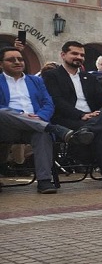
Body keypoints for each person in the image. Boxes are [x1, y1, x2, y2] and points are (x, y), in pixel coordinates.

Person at [1, 46, 93, 193]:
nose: (17, 62)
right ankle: (54, 129)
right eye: (11, 60)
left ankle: (44, 181)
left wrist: (41, 117)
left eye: (20, 59)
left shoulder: (35, 81)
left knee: (41, 133)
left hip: (35, 125)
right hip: (7, 127)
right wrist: (21, 114)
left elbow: (48, 103)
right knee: (1, 112)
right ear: (1, 64)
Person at [42, 41, 102, 189]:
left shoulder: (88, 77)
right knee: (100, 130)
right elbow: (57, 101)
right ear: (63, 55)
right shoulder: (52, 75)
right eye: (74, 53)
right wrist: (81, 115)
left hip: (92, 118)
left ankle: (88, 130)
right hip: (67, 119)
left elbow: (100, 97)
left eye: (82, 55)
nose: (79, 57)